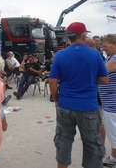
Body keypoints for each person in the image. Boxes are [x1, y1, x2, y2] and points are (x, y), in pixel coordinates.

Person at [49, 22, 109, 168]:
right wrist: (90, 81)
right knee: (92, 143)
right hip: (88, 106)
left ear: (68, 37)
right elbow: (105, 79)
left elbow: (52, 81)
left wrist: (56, 99)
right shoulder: (94, 54)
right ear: (83, 36)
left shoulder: (60, 55)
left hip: (65, 104)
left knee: (63, 140)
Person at [98, 34, 116, 166]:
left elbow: (100, 73)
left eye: (105, 46)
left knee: (113, 133)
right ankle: (113, 158)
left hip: (112, 103)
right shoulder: (109, 57)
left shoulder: (114, 59)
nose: (103, 49)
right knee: (112, 132)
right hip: (108, 102)